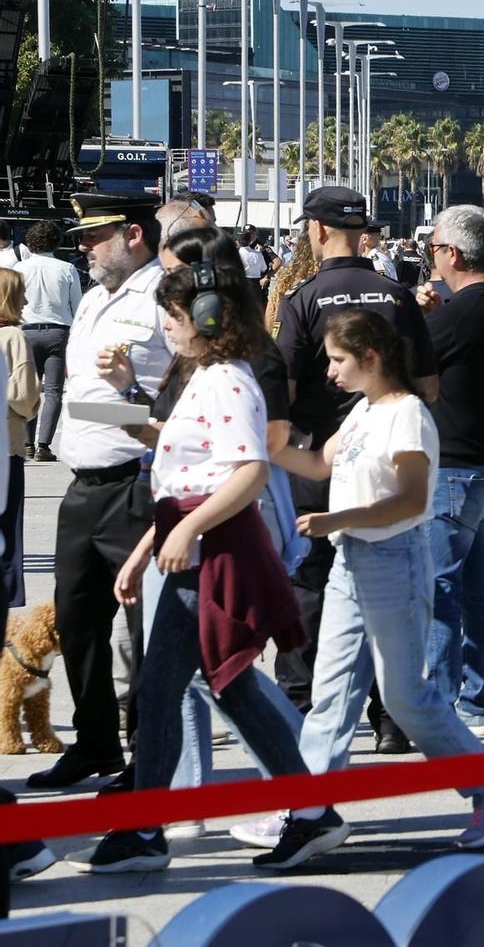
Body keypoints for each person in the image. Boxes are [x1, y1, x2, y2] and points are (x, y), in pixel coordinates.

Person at [233, 308, 484, 866]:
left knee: (404, 698)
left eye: (338, 360)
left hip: (394, 562)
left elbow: (412, 501)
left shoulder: (408, 416)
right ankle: (306, 810)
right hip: (351, 563)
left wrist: (335, 519)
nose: (330, 372)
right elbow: (317, 465)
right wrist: (258, 443)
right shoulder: (365, 409)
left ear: (371, 358)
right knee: (331, 693)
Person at [70, 251, 315, 874]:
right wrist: (148, 548)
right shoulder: (206, 374)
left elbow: (249, 470)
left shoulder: (227, 378)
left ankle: (148, 829)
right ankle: (309, 810)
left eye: (173, 318)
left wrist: (184, 532)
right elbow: (187, 462)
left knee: (184, 685)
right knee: (215, 684)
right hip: (193, 539)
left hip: (211, 547)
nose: (166, 329)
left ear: (207, 317)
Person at [272, 186, 440, 737]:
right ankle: (390, 717)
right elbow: (429, 387)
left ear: (317, 231)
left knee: (309, 584)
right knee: (383, 591)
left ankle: (299, 706)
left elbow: (285, 389)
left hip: (322, 453)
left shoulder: (303, 299)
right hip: (387, 449)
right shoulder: (396, 295)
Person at [32, 196, 172, 791]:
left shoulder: (166, 293)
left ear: (132, 234)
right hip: (82, 482)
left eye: (95, 236)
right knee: (77, 618)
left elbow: (185, 395)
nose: (83, 246)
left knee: (144, 629)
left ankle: (147, 756)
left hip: (136, 480)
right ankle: (95, 744)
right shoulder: (92, 297)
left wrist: (129, 401)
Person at [412, 206, 484, 738]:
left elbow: (403, 362)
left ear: (452, 253)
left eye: (432, 249)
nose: (430, 258)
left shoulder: (460, 313)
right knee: (474, 587)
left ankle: (442, 706)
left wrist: (420, 316)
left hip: (453, 469)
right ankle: (476, 701)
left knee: (442, 592)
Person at [17, 219, 79, 464]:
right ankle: (44, 445)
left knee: (29, 390)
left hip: (26, 331)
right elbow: (76, 305)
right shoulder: (67, 268)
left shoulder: (20, 268)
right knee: (53, 391)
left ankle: (27, 443)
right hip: (57, 331)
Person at [0, 271, 39, 609]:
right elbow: (24, 396)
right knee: (8, 532)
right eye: (21, 294)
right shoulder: (13, 337)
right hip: (6, 445)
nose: (25, 301)